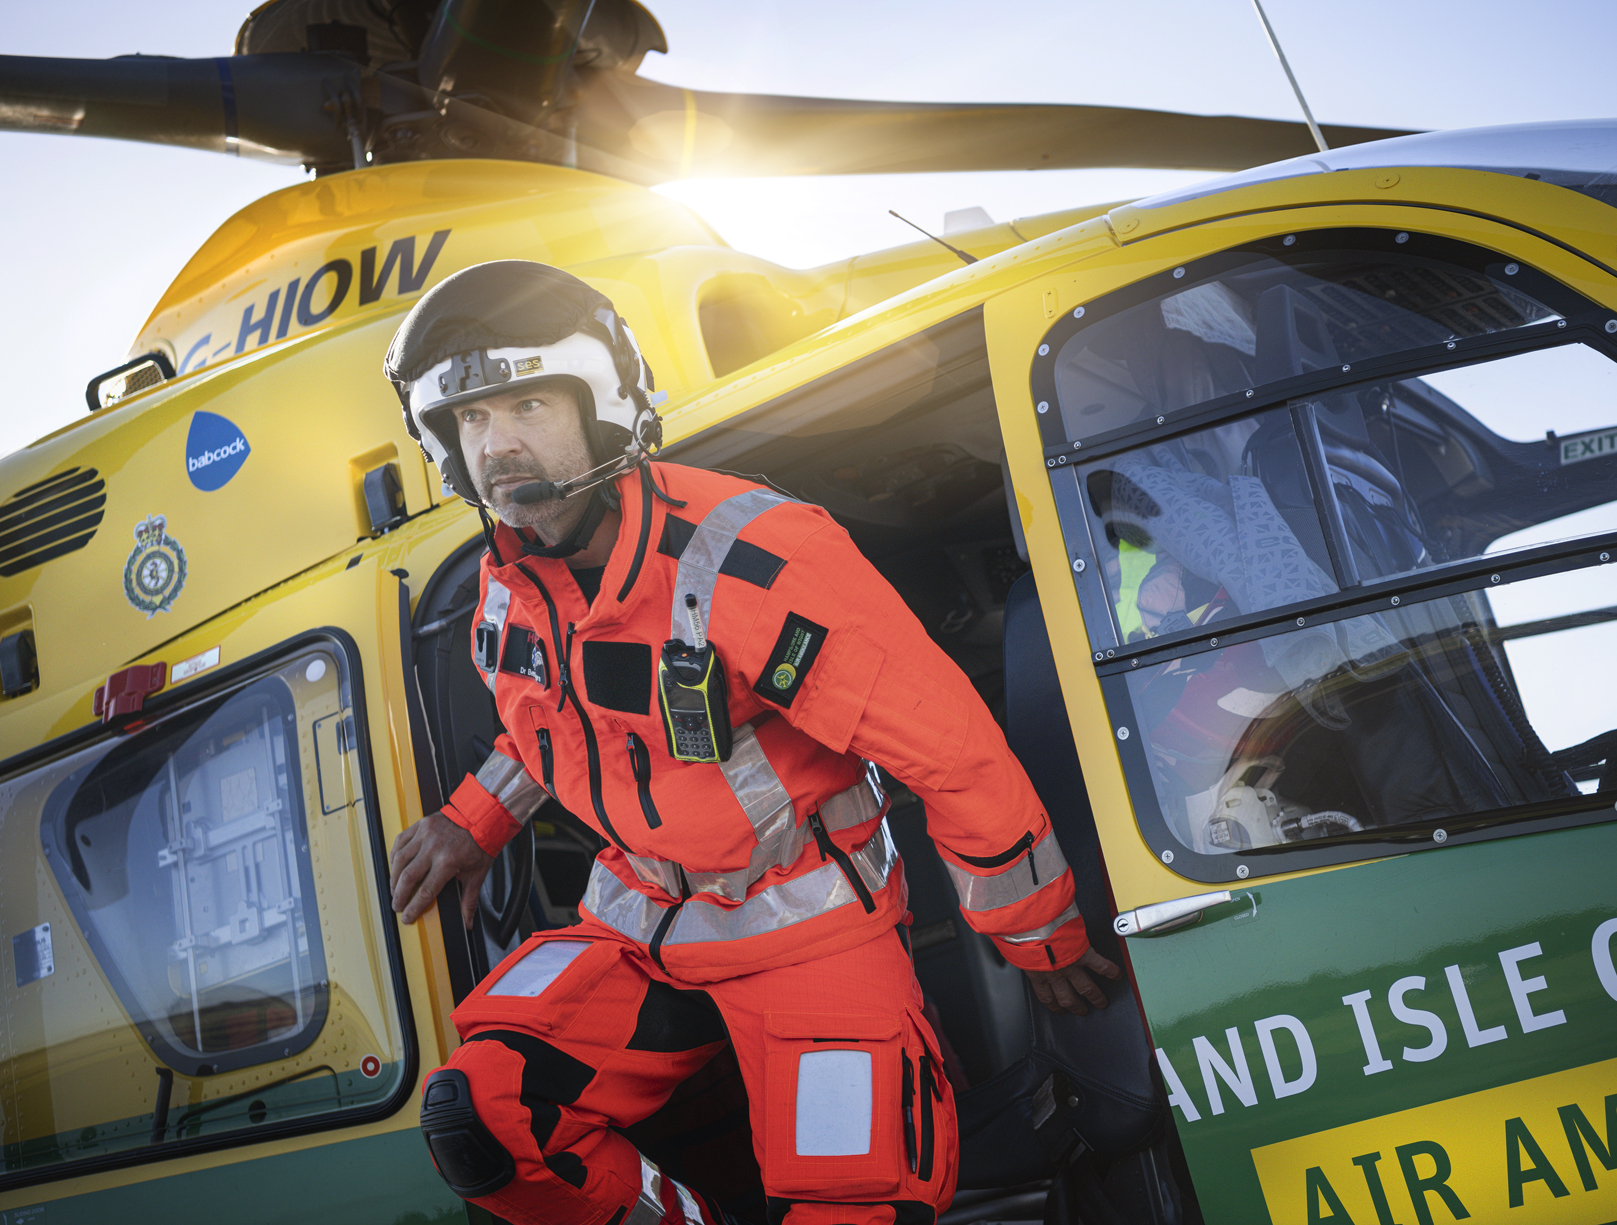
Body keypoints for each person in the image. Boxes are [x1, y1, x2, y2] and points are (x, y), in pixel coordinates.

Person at [382, 261, 1119, 1225]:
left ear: (602, 405)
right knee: (479, 1117)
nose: (498, 444)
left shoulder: (756, 558)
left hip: (809, 935)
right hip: (640, 930)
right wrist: (473, 820)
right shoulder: (502, 581)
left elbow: (949, 752)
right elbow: (548, 717)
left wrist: (1037, 931)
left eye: (525, 403)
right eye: (472, 419)